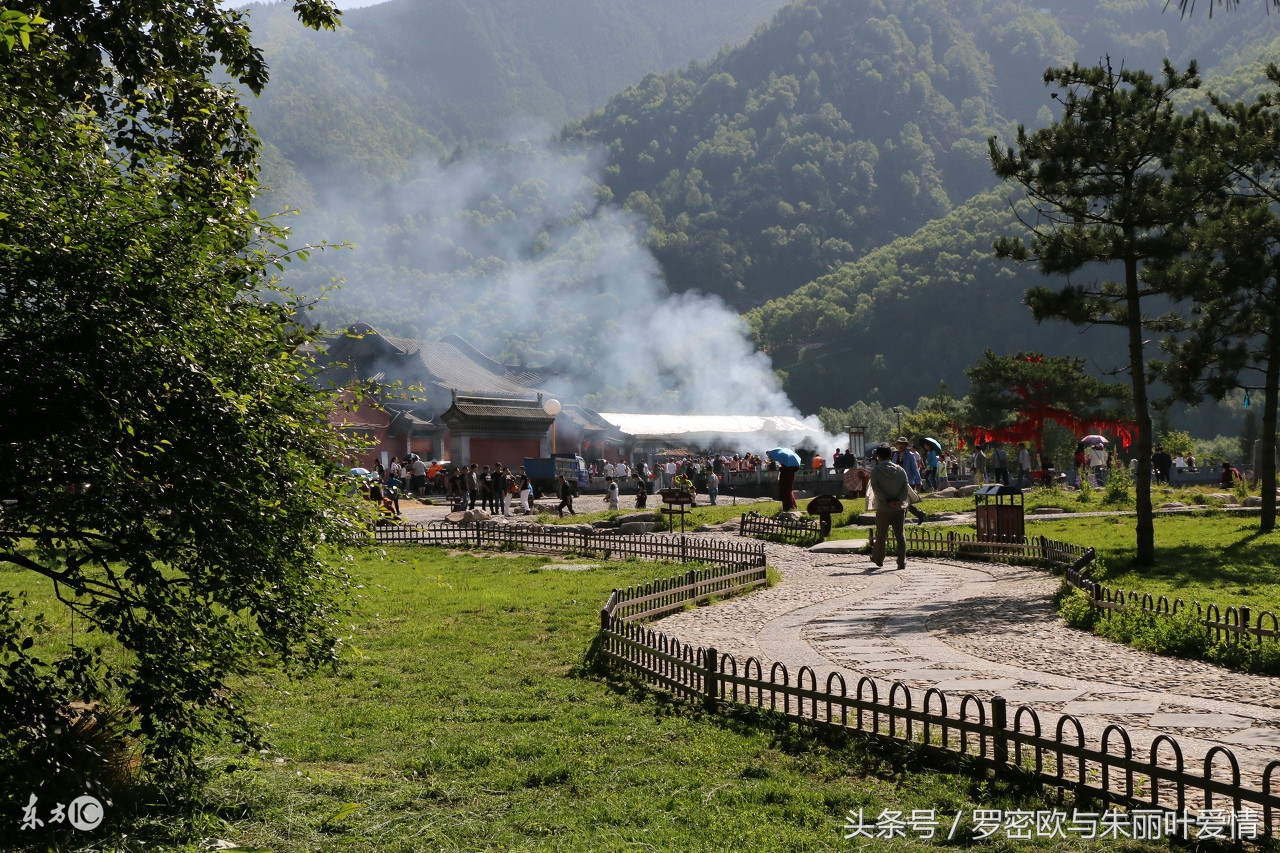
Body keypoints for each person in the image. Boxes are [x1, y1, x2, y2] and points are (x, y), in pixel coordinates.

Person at [868, 445, 911, 571]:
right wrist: (898, 501)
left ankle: (879, 559)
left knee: (881, 534)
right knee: (900, 535)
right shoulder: (900, 470)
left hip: (883, 508)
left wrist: (887, 501)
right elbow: (905, 487)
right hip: (899, 508)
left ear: (878, 456)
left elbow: (875, 489)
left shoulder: (876, 471)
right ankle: (901, 561)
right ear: (891, 455)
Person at [891, 437, 928, 523]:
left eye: (902, 444)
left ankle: (903, 520)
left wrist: (918, 481)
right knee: (903, 501)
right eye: (899, 444)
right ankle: (919, 513)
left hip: (908, 481)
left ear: (906, 445)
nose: (900, 446)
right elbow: (892, 467)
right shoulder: (895, 455)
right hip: (897, 481)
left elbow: (915, 469)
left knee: (903, 501)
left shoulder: (910, 455)